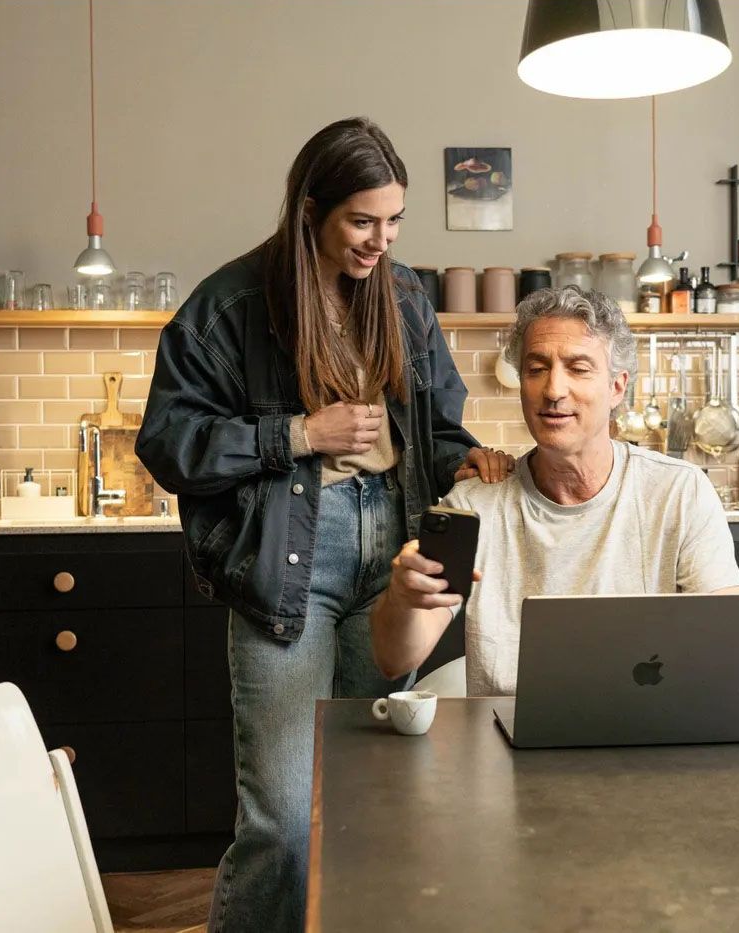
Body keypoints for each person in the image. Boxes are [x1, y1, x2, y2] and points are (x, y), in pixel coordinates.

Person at [135, 117, 512, 933]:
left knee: (371, 800)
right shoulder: (232, 304)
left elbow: (437, 427)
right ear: (311, 209)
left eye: (395, 220)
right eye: (362, 221)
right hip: (287, 563)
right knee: (283, 820)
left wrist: (468, 458)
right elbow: (168, 444)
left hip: (395, 555)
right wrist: (301, 433)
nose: (383, 240)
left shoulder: (404, 297)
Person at [371, 285, 739, 697]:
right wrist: (402, 598)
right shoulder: (472, 507)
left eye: (578, 368)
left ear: (617, 387)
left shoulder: (680, 492)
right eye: (536, 369)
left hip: (645, 726)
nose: (553, 390)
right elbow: (395, 660)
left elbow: (728, 642)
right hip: (505, 731)